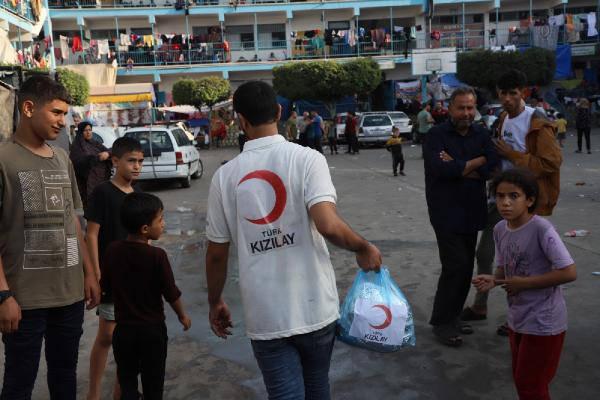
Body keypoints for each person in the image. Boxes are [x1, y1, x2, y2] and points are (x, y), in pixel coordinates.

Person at [205, 81, 382, 399]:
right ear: (279, 111)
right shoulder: (307, 159)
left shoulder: (224, 176)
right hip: (316, 308)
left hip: (267, 315)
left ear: (239, 121)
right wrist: (363, 246)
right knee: (317, 388)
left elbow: (217, 253)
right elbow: (327, 224)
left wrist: (215, 300)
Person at [0, 75, 100, 399]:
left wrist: (88, 273)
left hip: (68, 296)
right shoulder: (3, 159)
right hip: (23, 299)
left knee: (65, 377)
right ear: (28, 108)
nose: (63, 121)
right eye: (56, 112)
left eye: (65, 113)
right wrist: (3, 295)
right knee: (19, 384)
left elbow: (72, 219)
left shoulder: (61, 159)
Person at [462, 69, 563, 333]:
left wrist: (513, 155)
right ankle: (480, 306)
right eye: (503, 93)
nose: (507, 99)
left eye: (513, 93)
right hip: (501, 198)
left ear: (524, 93)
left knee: (523, 263)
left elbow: (551, 163)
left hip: (528, 202)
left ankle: (516, 319)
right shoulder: (503, 118)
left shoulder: (537, 121)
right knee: (486, 253)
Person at [472, 169, 576, 400]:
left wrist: (525, 284)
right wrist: (494, 280)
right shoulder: (500, 228)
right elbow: (505, 267)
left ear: (529, 200)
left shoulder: (542, 229)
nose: (505, 202)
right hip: (518, 318)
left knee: (530, 385)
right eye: (500, 196)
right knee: (524, 380)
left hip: (544, 321)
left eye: (513, 196)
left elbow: (569, 272)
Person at [424, 86, 499, 347]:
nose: (467, 113)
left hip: (472, 210)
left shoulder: (481, 133)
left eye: (470, 107)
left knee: (466, 267)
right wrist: (476, 161)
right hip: (445, 211)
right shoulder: (436, 136)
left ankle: (454, 317)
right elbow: (441, 170)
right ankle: (441, 322)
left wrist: (461, 165)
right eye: (461, 108)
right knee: (454, 265)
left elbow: (493, 167)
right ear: (450, 108)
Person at [100, 193, 191, 400]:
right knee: (153, 384)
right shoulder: (157, 256)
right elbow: (171, 292)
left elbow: (105, 286)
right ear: (145, 229)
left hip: (123, 332)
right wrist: (182, 315)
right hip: (152, 333)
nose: (164, 224)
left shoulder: (113, 250)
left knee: (127, 381)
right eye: (160, 220)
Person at [85, 137, 144, 400]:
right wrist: (95, 273)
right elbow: (92, 234)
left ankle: (122, 393)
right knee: (107, 336)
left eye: (140, 161)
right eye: (131, 161)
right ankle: (94, 393)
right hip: (111, 278)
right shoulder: (102, 192)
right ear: (115, 160)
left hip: (137, 279)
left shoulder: (140, 196)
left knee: (130, 342)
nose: (136, 167)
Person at [70, 121, 112, 209]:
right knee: (92, 209)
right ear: (81, 132)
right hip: (86, 183)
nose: (88, 132)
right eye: (85, 130)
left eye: (90, 130)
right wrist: (96, 158)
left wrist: (107, 154)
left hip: (101, 180)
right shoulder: (77, 146)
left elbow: (110, 151)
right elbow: (77, 162)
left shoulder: (94, 143)